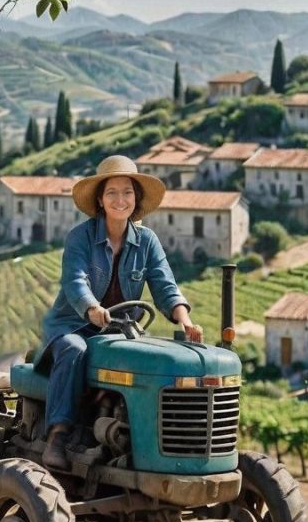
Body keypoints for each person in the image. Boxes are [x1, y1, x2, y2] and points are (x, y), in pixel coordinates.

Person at [37, 155, 202, 468]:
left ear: (136, 199)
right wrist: (91, 308)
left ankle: (144, 442)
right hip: (72, 325)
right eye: (112, 192)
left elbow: (166, 285)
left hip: (119, 329)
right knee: (74, 349)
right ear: (100, 199)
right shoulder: (80, 237)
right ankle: (58, 434)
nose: (120, 199)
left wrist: (185, 319)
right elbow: (75, 283)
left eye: (127, 192)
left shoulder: (148, 241)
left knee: (155, 362)